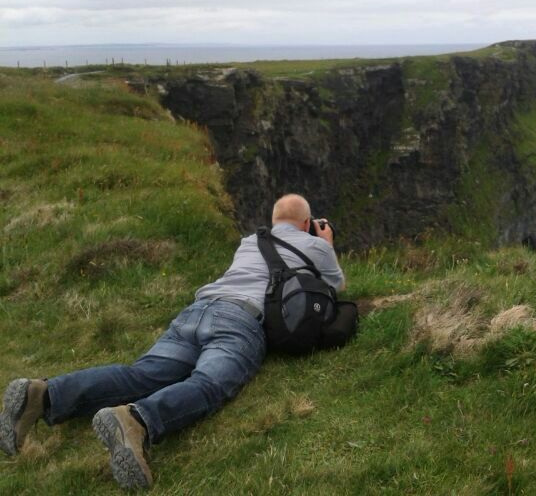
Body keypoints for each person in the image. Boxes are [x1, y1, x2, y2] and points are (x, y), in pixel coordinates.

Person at [0, 194, 345, 489]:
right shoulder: (314, 244)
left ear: (273, 220)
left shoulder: (249, 241)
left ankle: (44, 394)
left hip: (197, 309)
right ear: (306, 223)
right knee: (209, 384)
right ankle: (137, 421)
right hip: (239, 319)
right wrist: (325, 243)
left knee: (141, 374)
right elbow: (336, 286)